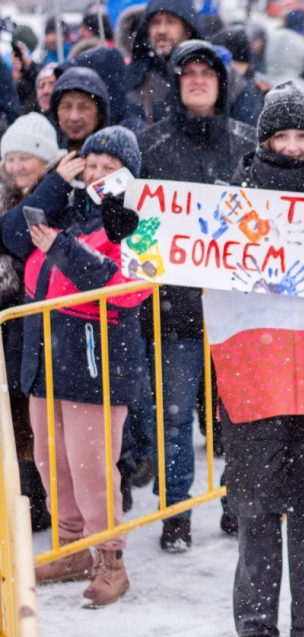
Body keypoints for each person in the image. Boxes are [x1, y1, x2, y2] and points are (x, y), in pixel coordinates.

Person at [212, 81, 304, 637]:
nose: (293, 146)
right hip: (255, 384)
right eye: (281, 135)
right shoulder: (228, 206)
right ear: (263, 140)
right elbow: (175, 256)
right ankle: (254, 627)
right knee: (256, 519)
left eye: (302, 136)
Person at [2, 126, 149, 606]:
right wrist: (55, 186)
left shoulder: (137, 220)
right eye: (94, 164)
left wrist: (61, 248)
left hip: (98, 359)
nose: (100, 174)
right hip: (47, 352)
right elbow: (11, 237)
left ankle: (110, 559)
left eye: (112, 168)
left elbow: (127, 289)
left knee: (91, 466)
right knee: (51, 460)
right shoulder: (64, 207)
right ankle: (71, 548)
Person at [134, 39, 257, 552]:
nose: (199, 80)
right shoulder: (150, 145)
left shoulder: (247, 142)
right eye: (189, 74)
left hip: (238, 308)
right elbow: (135, 223)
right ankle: (177, 511)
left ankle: (238, 504)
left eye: (208, 73)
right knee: (175, 416)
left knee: (238, 417)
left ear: (222, 83)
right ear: (176, 82)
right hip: (174, 309)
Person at [0, 113, 65, 533]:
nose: (18, 166)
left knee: (36, 416)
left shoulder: (58, 193)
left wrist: (56, 184)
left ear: (46, 161)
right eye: (11, 158)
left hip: (47, 323)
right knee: (13, 413)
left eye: (28, 158)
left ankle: (37, 503)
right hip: (10, 321)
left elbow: (19, 235)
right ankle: (19, 500)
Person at [127, 0, 204, 125]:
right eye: (155, 22)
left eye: (170, 21)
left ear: (188, 29)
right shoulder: (135, 78)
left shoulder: (216, 75)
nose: (161, 30)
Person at [49, 67, 111, 152]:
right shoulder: (42, 157)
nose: (74, 117)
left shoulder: (115, 159)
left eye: (83, 107)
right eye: (66, 106)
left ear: (99, 114)